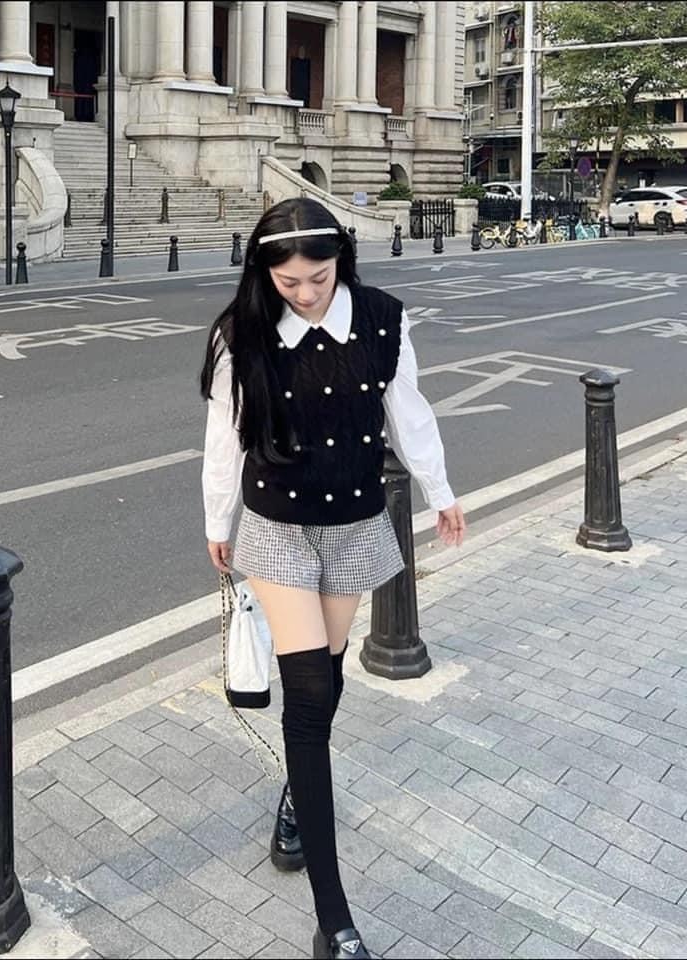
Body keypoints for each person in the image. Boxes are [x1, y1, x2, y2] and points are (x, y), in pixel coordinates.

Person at [200, 197, 465, 960]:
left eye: (317, 278)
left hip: (352, 521)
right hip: (278, 525)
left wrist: (440, 491)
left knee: (328, 671)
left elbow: (408, 411)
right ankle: (334, 920)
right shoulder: (241, 331)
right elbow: (224, 435)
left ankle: (297, 789)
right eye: (289, 283)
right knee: (310, 688)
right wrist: (218, 521)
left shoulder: (382, 320)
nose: (306, 294)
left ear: (340, 262)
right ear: (266, 275)